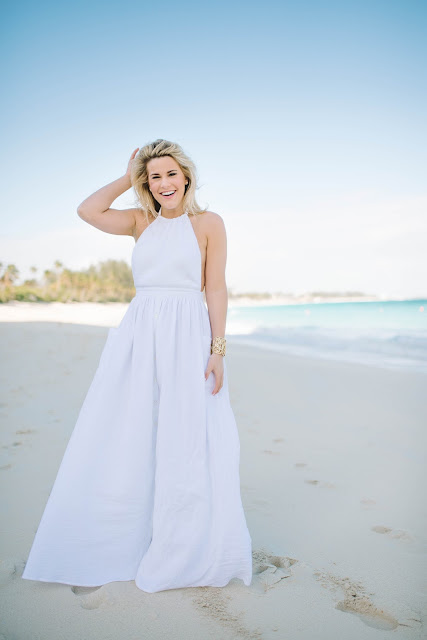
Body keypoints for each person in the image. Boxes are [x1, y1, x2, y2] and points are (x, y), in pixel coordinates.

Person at [22, 138, 253, 593]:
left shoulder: (208, 223)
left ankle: (184, 543)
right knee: (131, 431)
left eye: (171, 173)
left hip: (188, 337)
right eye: (154, 177)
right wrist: (127, 176)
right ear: (145, 184)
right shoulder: (140, 222)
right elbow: (88, 211)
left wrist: (218, 349)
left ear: (186, 176)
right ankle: (129, 535)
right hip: (139, 337)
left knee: (186, 434)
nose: (164, 183)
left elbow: (216, 288)